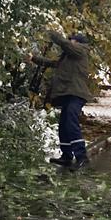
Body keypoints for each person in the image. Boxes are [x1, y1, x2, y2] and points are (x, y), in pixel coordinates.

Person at [32, 31, 96, 169]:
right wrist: (33, 58)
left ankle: (82, 157)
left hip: (76, 93)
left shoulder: (80, 51)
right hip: (68, 93)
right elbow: (53, 63)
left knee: (71, 123)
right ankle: (66, 156)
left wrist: (51, 33)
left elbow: (65, 44)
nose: (70, 42)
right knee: (64, 125)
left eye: (72, 40)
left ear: (77, 42)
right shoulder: (68, 57)